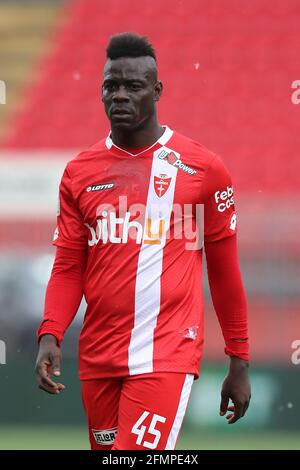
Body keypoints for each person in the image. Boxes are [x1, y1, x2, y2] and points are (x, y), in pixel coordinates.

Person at [35, 32, 251, 450]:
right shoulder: (79, 173)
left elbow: (224, 272)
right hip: (98, 354)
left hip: (166, 353)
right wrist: (51, 334)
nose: (119, 95)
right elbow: (68, 266)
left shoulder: (202, 169)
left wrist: (238, 358)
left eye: (132, 86)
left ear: (156, 90)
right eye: (110, 86)